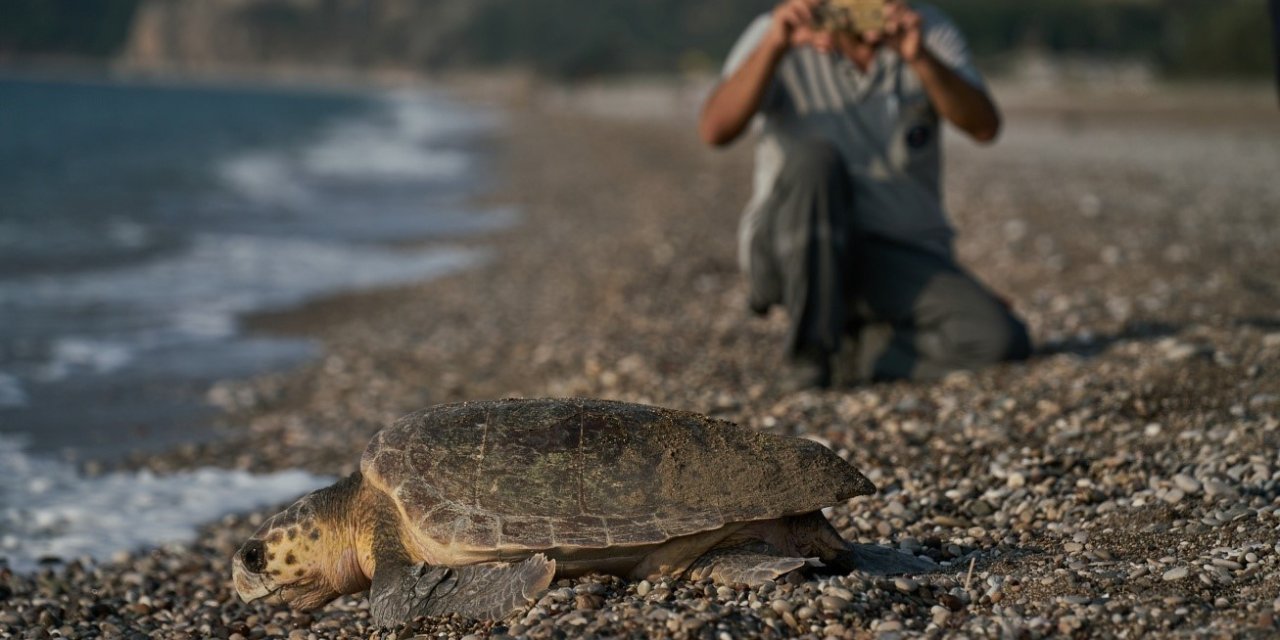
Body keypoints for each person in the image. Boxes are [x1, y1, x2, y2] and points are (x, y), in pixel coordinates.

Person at [698, 0, 1031, 389]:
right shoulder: (774, 31)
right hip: (794, 244)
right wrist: (775, 45)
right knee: (814, 159)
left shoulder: (927, 29)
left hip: (893, 254)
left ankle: (855, 354)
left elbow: (984, 127)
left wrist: (920, 57)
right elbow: (714, 130)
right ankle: (809, 356)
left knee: (998, 337)